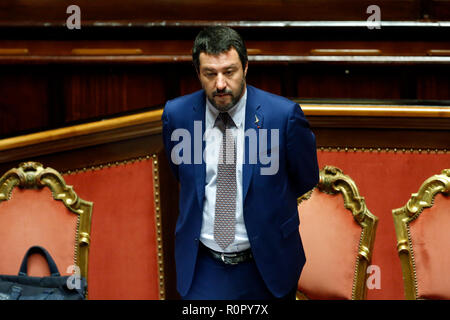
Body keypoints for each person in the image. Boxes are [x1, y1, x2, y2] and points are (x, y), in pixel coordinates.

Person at [162, 26, 319, 300]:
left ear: (245, 67)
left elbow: (305, 177)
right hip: (204, 266)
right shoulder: (177, 116)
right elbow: (181, 174)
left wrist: (267, 201)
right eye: (210, 73)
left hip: (267, 263)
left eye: (229, 72)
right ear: (197, 73)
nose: (220, 84)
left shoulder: (282, 116)